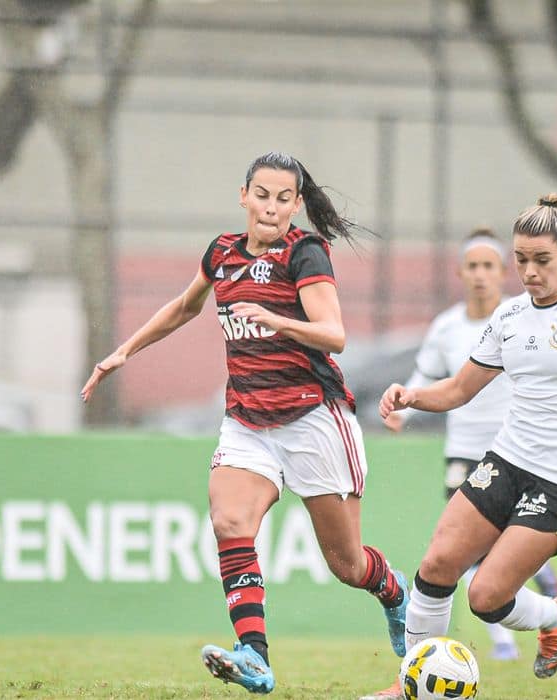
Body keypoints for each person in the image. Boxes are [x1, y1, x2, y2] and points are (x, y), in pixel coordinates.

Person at [80, 151, 409, 695]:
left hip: (313, 419)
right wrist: (124, 351)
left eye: (284, 198)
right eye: (262, 194)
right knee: (230, 521)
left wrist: (277, 318)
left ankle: (393, 592)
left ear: (296, 204)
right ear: (243, 196)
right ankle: (253, 655)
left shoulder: (306, 253)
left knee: (348, 565)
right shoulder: (222, 253)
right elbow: (186, 306)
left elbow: (334, 334)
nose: (272, 207)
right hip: (248, 420)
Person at [378, 194, 557, 682]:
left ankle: (555, 615)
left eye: (541, 260)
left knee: (485, 597)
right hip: (507, 459)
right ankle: (408, 685)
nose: (529, 272)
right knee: (437, 564)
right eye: (521, 260)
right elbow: (461, 387)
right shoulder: (508, 318)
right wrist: (410, 396)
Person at [360, 228, 557, 700]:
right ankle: (494, 644)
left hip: (519, 456)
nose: (479, 275)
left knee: (488, 562)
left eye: (488, 266)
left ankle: (541, 597)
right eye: (471, 266)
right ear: (460, 272)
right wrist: (403, 408)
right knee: (455, 557)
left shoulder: (524, 320)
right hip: (465, 453)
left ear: (502, 272)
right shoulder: (447, 327)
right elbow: (428, 377)